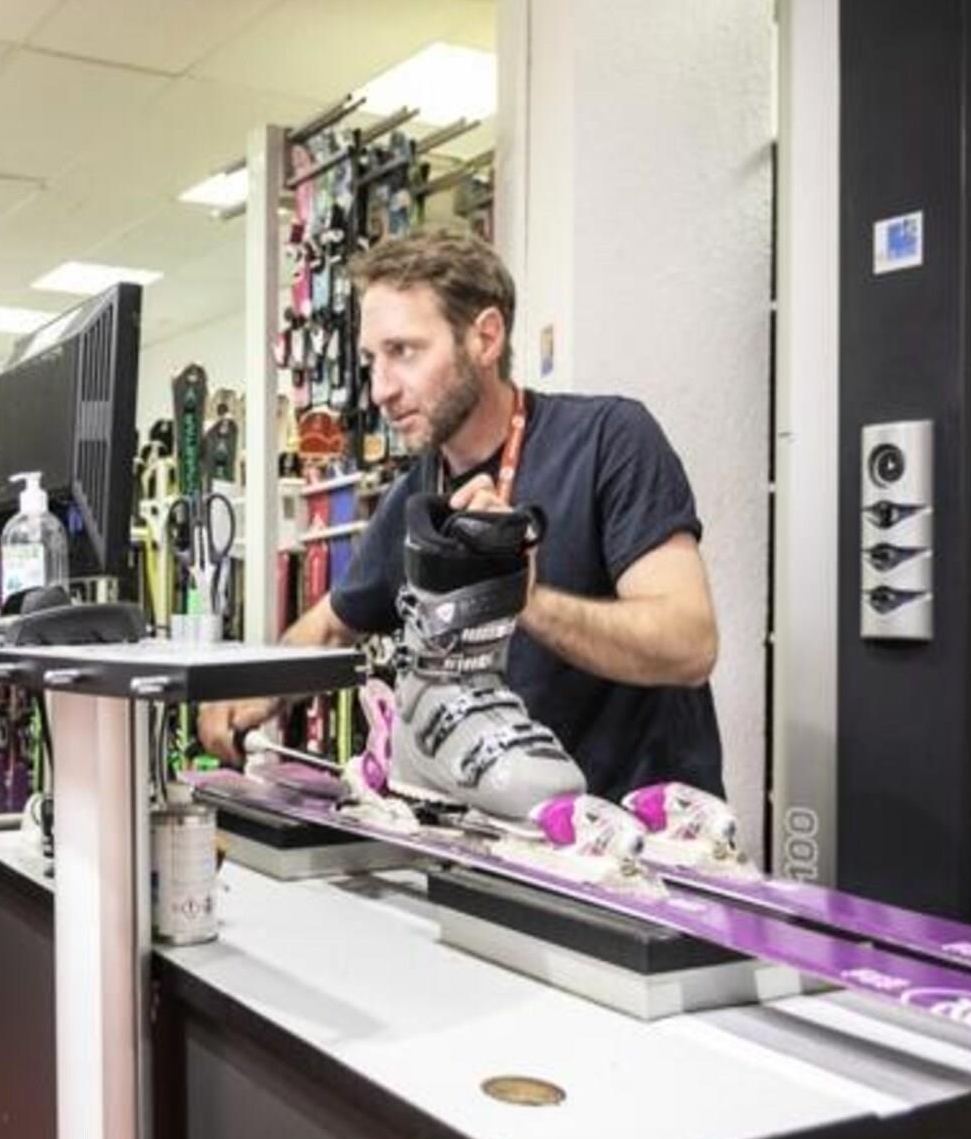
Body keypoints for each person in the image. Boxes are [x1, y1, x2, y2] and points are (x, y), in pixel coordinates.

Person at [196, 228, 724, 802]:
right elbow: (328, 627)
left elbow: (689, 644)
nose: (379, 390)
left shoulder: (607, 440)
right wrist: (252, 689)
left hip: (635, 831)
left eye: (404, 351)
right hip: (500, 830)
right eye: (372, 360)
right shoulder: (418, 497)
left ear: (485, 338)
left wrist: (518, 598)